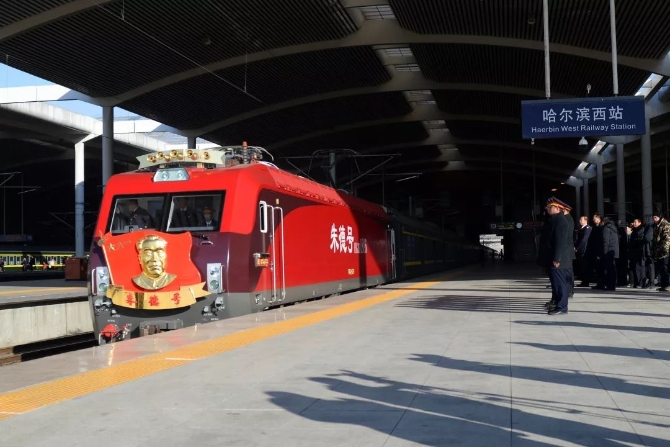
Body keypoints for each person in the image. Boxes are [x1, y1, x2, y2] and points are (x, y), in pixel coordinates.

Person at [539, 198, 573, 315]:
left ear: (557, 208)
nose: (548, 209)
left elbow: (560, 242)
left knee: (560, 284)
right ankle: (559, 304)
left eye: (550, 207)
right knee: (556, 284)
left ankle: (562, 307)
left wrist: (557, 258)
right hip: (554, 258)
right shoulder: (554, 220)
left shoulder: (560, 221)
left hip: (559, 259)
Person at [574, 216, 591, 286]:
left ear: (585, 220)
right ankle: (583, 280)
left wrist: (577, 248)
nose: (580, 221)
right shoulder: (581, 228)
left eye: (581, 220)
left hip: (583, 249)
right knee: (581, 266)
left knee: (584, 266)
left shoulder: (587, 228)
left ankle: (586, 281)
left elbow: (583, 240)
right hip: (580, 250)